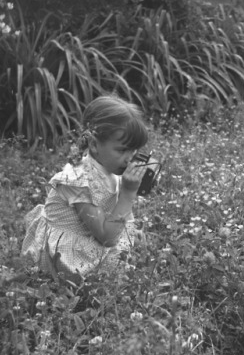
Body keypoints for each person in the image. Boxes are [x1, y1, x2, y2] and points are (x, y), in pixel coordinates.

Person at [21, 95, 152, 277]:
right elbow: (107, 238)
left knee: (131, 249)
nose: (130, 158)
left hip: (96, 232)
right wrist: (128, 193)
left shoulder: (111, 167)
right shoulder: (77, 183)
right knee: (110, 271)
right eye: (122, 150)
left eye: (134, 150)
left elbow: (119, 213)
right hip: (70, 251)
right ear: (94, 144)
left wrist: (130, 224)